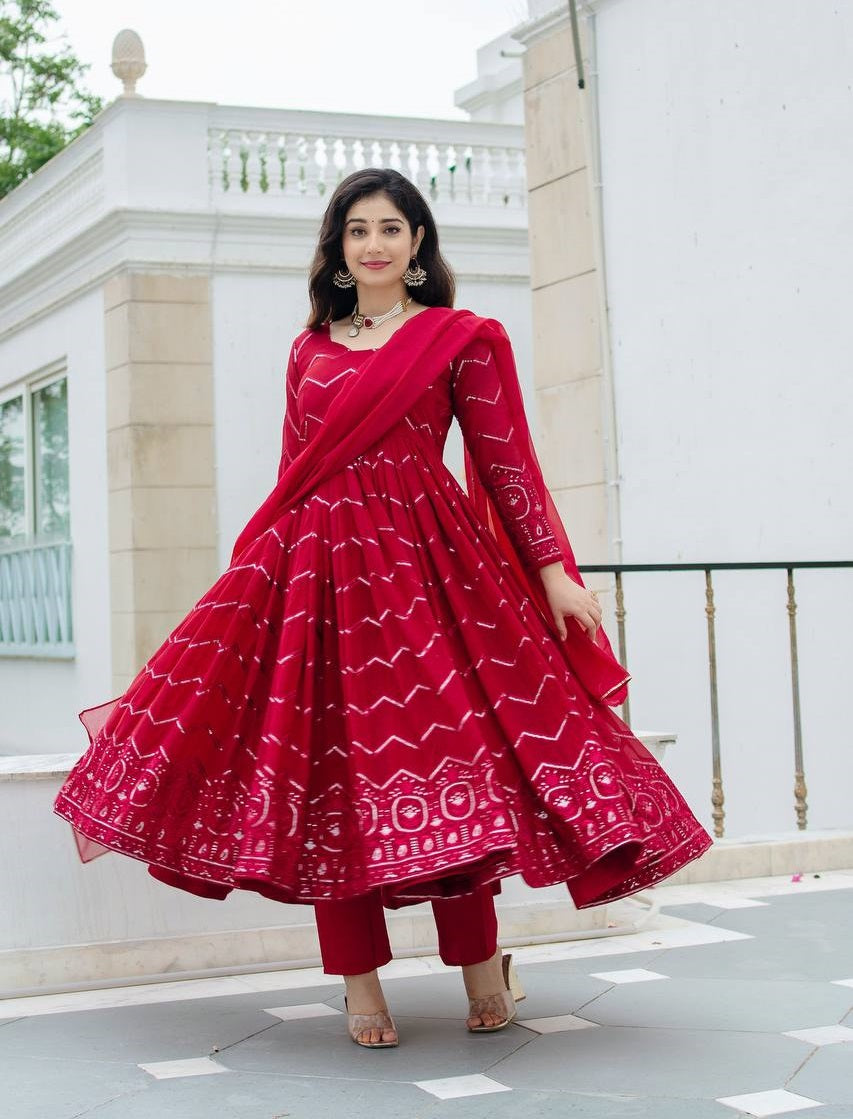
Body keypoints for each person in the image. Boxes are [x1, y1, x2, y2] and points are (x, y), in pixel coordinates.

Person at [53, 167, 713, 1049]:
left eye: (390, 228)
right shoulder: (308, 351)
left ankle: (481, 964)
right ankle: (359, 984)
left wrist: (552, 569)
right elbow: (297, 472)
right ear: (337, 248)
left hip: (430, 569)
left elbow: (504, 460)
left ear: (417, 245)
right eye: (356, 229)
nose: (373, 243)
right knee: (327, 773)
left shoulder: (458, 339)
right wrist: (257, 579)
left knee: (462, 760)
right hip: (317, 574)